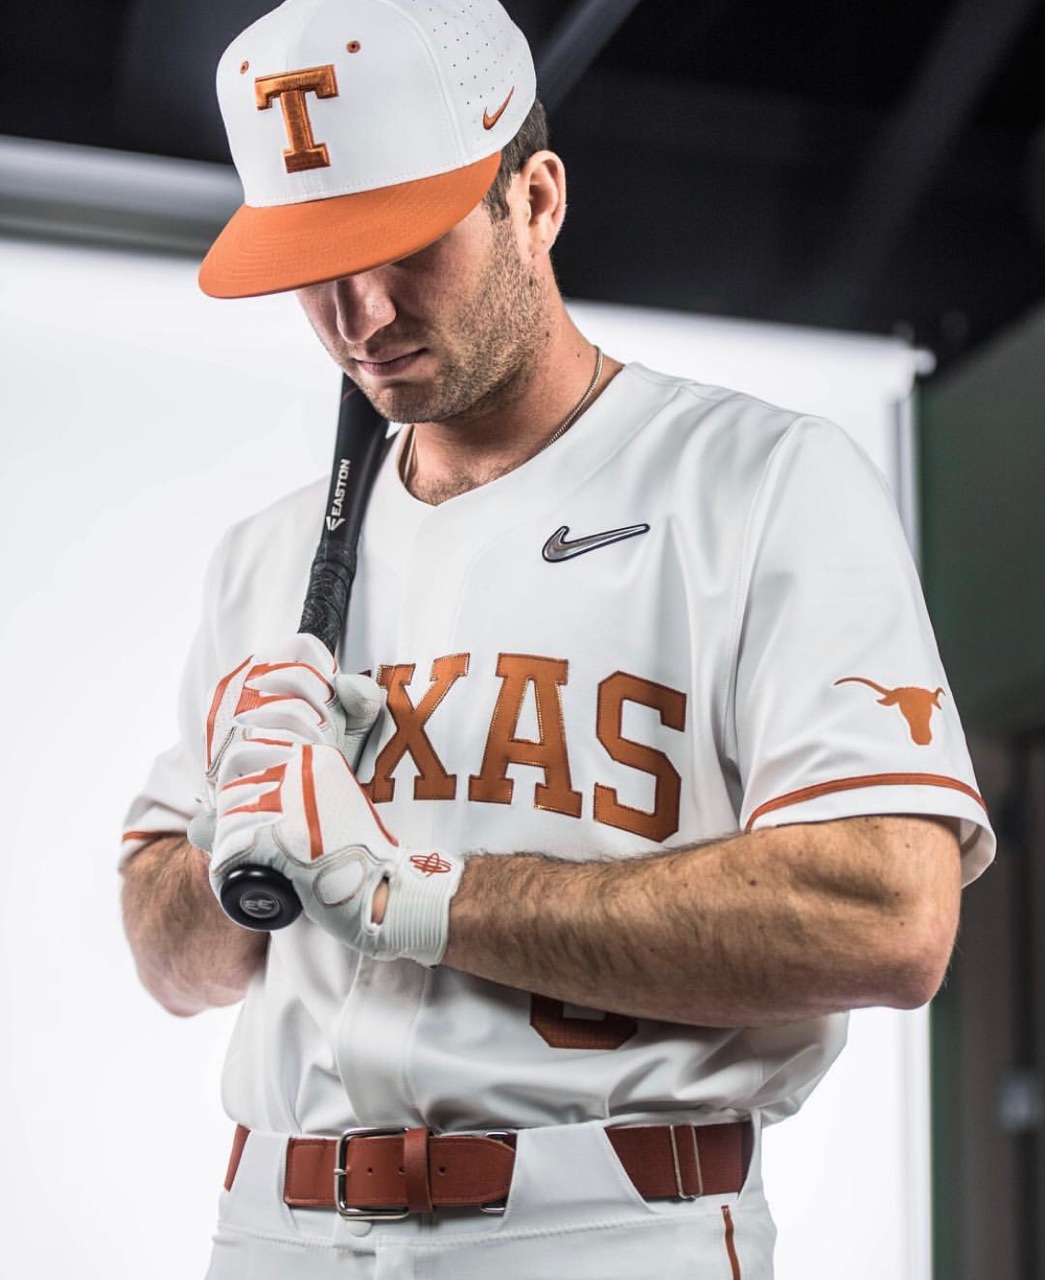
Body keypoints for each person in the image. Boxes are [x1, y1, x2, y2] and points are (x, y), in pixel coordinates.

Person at [119, 0, 994, 1276]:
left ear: (533, 200)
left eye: (403, 244)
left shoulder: (759, 480)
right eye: (316, 264)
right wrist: (233, 840)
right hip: (273, 1229)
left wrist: (412, 894)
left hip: (604, 1222)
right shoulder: (270, 552)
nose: (358, 314)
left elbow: (885, 913)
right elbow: (168, 958)